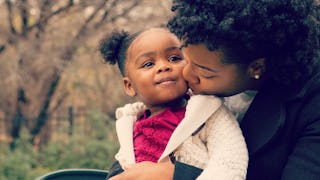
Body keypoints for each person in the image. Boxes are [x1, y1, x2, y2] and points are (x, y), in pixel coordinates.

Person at [108, 0, 320, 180]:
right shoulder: (179, 96)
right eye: (185, 59)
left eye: (205, 72)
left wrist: (178, 175)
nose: (186, 75)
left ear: (256, 67)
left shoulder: (310, 105)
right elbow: (133, 147)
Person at [98, 27, 248, 179]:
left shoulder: (208, 111)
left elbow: (230, 163)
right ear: (129, 86)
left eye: (174, 58)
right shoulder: (130, 124)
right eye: (148, 64)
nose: (164, 66)